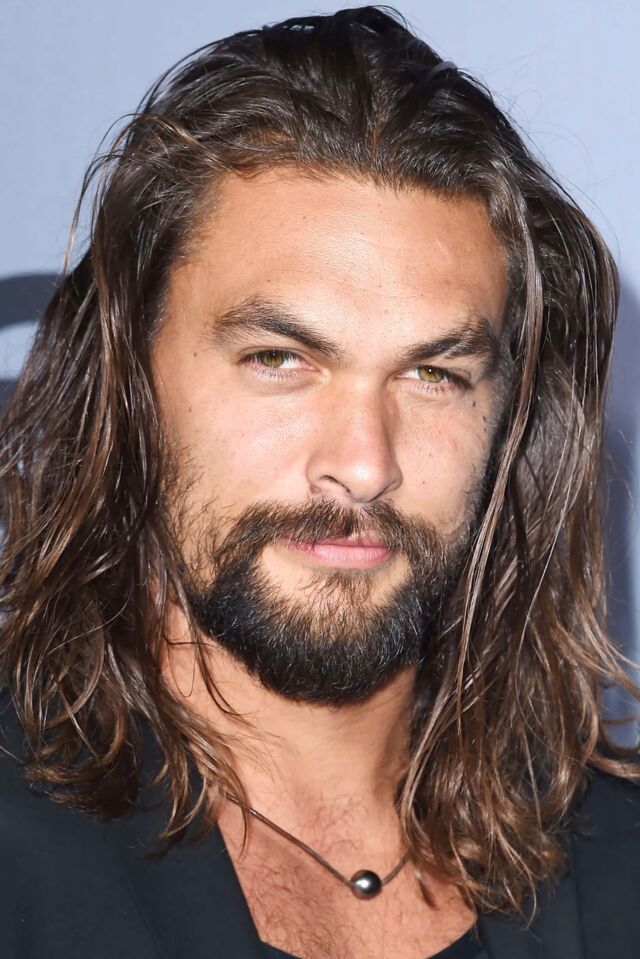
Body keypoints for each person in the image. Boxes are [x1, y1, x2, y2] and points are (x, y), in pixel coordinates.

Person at [0, 6, 638, 958]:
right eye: (279, 359)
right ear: (128, 381)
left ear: (510, 422)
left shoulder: (617, 862)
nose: (366, 462)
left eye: (434, 374)